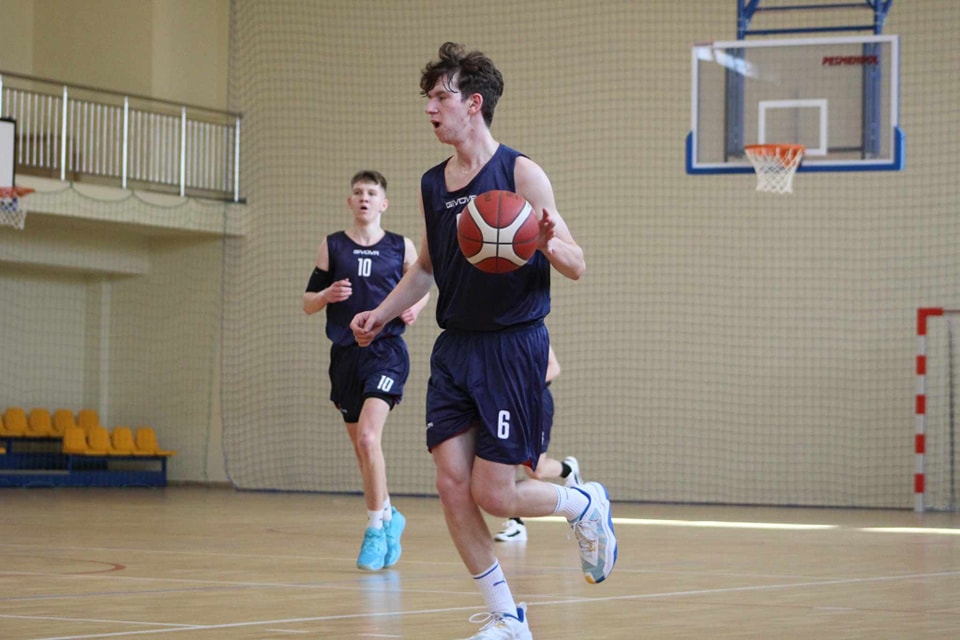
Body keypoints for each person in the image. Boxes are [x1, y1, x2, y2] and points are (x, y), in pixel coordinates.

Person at [351, 43, 617, 639]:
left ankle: (584, 503)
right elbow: (427, 267)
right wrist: (382, 314)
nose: (430, 108)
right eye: (428, 98)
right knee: (451, 485)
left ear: (474, 104)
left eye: (440, 96)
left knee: (495, 495)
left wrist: (548, 243)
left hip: (511, 347)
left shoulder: (521, 173)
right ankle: (507, 619)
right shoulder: (431, 184)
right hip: (455, 349)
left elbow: (577, 264)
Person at [303, 170, 428, 572]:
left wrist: (415, 308)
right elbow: (307, 302)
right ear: (349, 201)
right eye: (357, 192)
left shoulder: (400, 246)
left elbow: (423, 284)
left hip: (386, 352)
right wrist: (326, 295)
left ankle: (375, 528)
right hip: (345, 356)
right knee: (362, 449)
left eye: (371, 193)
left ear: (383, 203)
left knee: (370, 437)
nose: (364, 197)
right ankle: (390, 514)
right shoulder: (332, 245)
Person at [495, 345, 583, 543]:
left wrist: (526, 385)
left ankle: (568, 469)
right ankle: (515, 523)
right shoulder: (497, 338)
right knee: (506, 459)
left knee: (536, 471)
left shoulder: (534, 334)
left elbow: (554, 367)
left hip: (536, 403)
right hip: (508, 403)